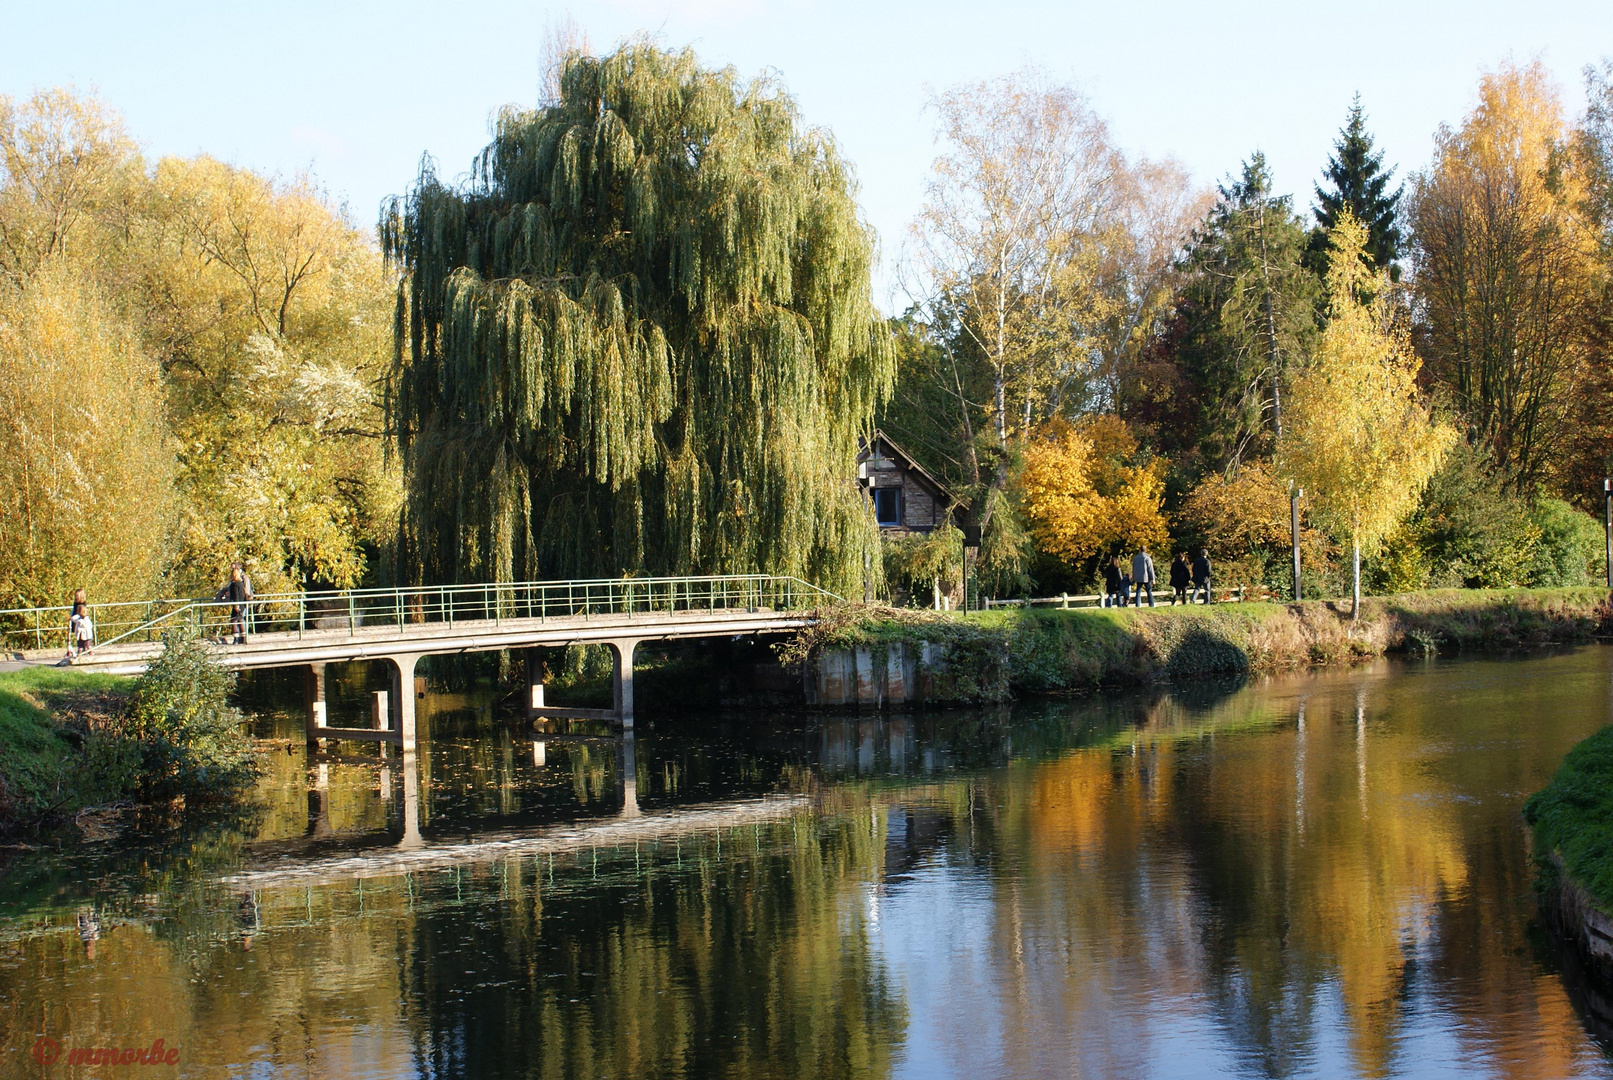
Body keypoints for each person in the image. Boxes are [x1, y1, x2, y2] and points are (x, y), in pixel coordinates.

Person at [220, 565, 251, 644]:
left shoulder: (234, 584)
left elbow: (236, 595)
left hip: (237, 605)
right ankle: (243, 638)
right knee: (240, 620)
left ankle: (236, 639)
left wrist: (236, 605)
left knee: (234, 620)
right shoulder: (240, 584)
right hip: (242, 605)